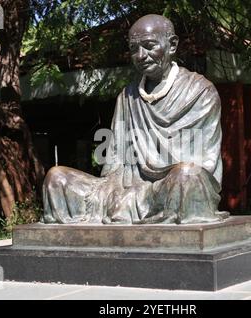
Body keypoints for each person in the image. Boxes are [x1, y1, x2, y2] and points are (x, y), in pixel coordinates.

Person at [42, 14, 224, 224]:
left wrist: (143, 187)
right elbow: (115, 161)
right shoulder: (127, 96)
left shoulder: (199, 92)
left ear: (172, 45)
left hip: (167, 188)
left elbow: (200, 163)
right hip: (124, 187)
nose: (141, 55)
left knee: (187, 175)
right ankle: (124, 208)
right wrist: (118, 189)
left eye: (149, 46)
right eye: (134, 49)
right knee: (56, 178)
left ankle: (136, 208)